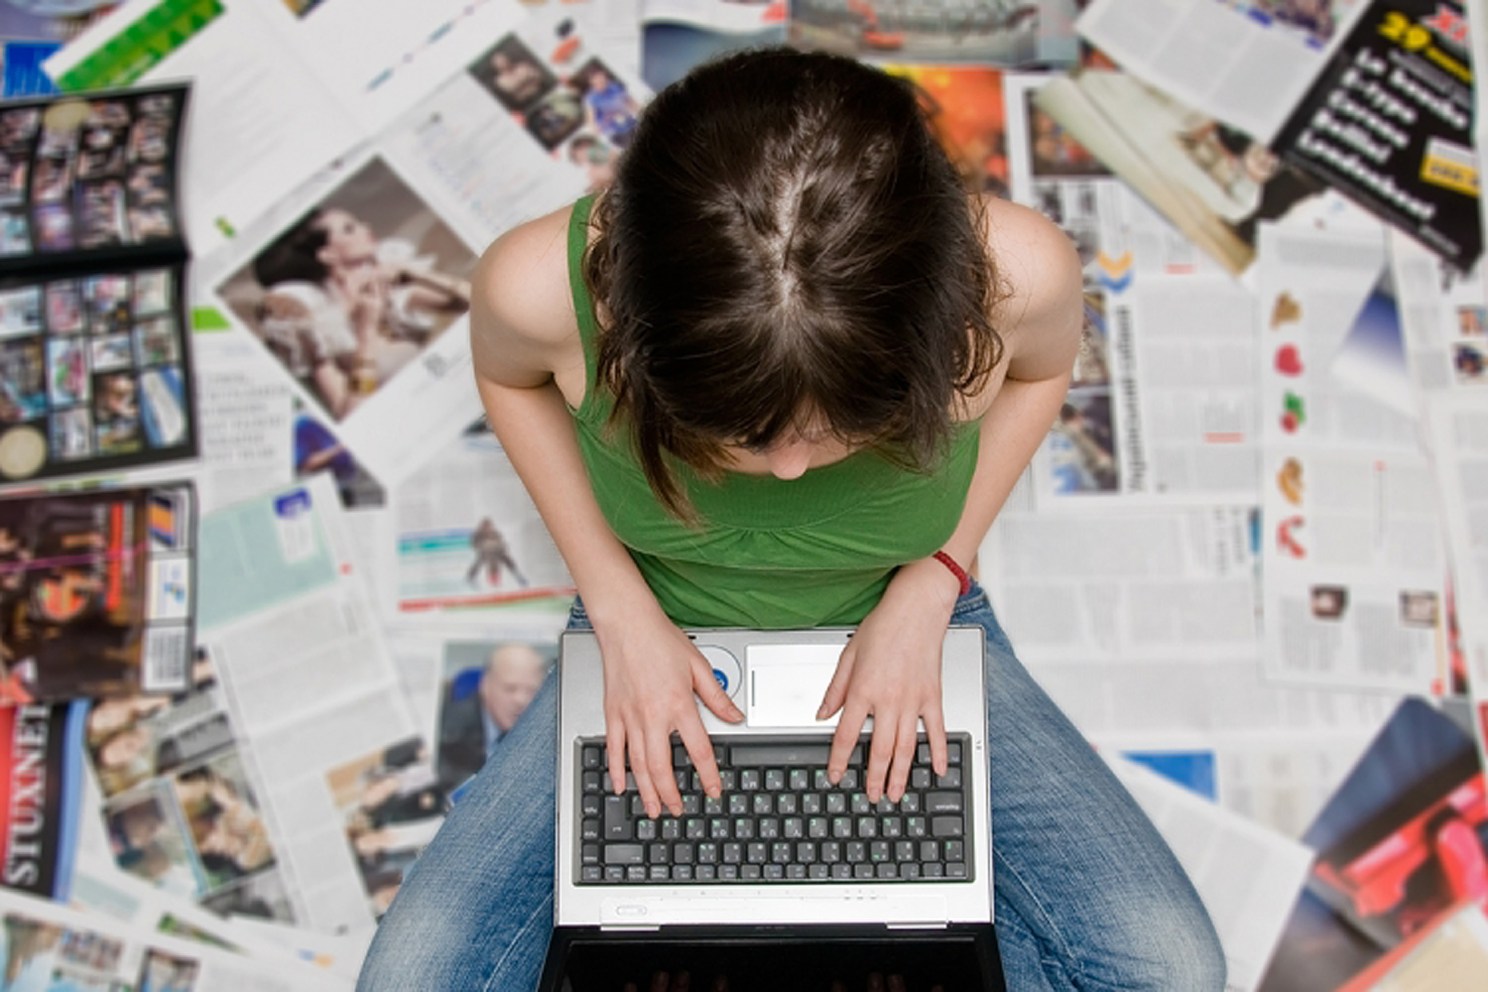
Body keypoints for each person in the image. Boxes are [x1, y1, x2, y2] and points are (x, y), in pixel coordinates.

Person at [360, 49, 1224, 991]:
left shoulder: (1018, 275)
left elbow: (1042, 370)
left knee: (1171, 972)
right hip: (654, 614)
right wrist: (617, 607)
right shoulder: (536, 288)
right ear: (638, 342)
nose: (791, 468)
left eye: (841, 431)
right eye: (739, 436)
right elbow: (508, 377)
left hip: (913, 612)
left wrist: (936, 580)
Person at [437, 641, 549, 788]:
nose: (521, 700)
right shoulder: (447, 730)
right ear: (485, 685)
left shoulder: (547, 733)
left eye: (532, 691)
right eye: (510, 688)